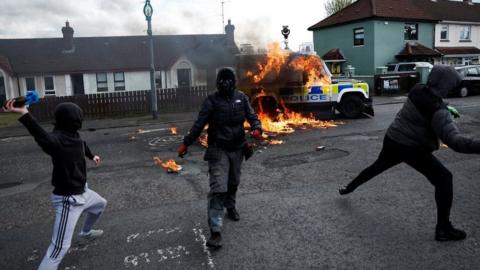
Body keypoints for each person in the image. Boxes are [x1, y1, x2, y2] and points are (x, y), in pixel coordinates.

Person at [338, 65, 480, 241]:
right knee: (444, 178)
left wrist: (446, 108)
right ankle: (443, 229)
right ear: (447, 86)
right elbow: (456, 142)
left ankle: (348, 188)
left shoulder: (418, 88)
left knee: (376, 167)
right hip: (411, 147)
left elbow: (430, 103)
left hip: (393, 138)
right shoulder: (437, 111)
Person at [3, 100, 107, 269]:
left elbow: (82, 145)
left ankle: (85, 233)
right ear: (71, 120)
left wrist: (92, 156)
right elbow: (43, 137)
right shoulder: (57, 140)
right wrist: (24, 113)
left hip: (83, 192)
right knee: (59, 248)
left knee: (100, 205)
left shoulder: (73, 134)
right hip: (69, 201)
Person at [178, 67, 262, 248]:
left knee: (233, 182)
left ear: (233, 81)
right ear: (218, 82)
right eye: (222, 80)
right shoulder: (211, 101)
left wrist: (257, 127)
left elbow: (252, 116)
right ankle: (215, 231)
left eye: (229, 79)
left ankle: (230, 207)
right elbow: (199, 124)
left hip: (238, 148)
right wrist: (186, 143)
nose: (226, 83)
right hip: (219, 149)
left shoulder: (241, 98)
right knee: (218, 188)